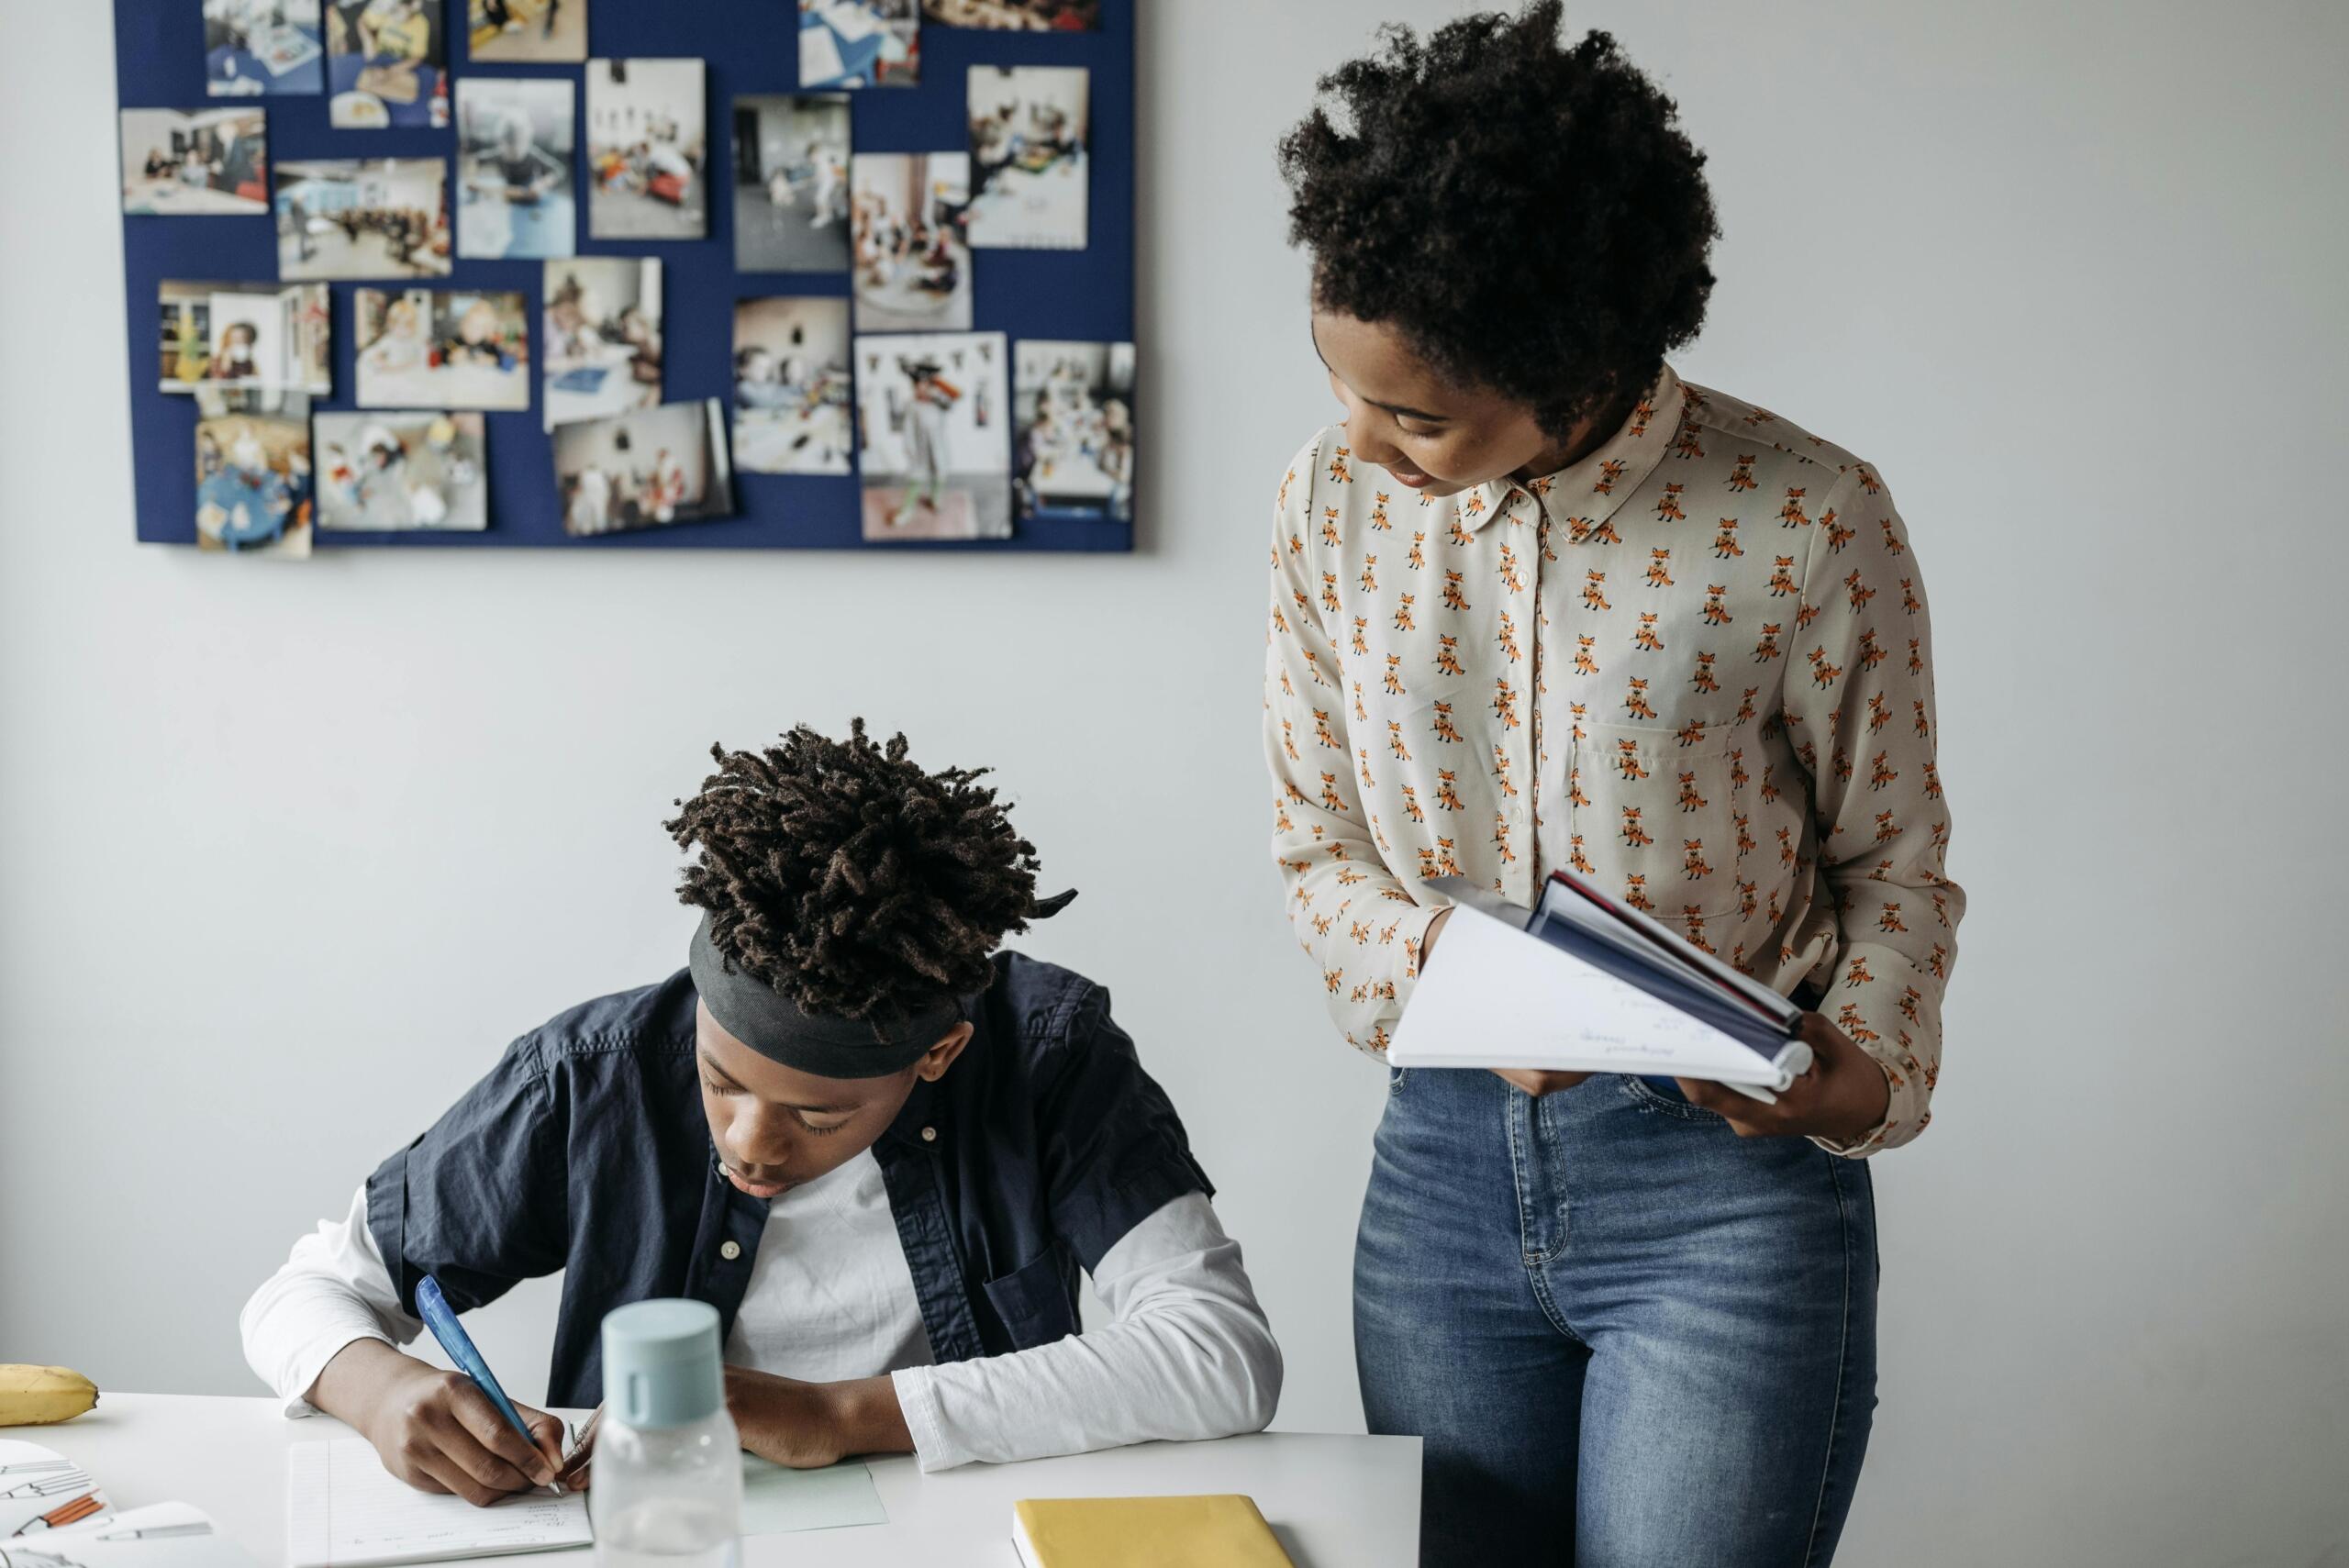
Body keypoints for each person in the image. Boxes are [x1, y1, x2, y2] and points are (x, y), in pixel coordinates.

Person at [1261, 6, 1964, 1565]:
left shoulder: (1807, 516)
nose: (1362, 444)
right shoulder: (1330, 501)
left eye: (1417, 414)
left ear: (1573, 369)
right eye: (1346, 387)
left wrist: (1867, 1061)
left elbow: (1894, 860)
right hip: (1437, 1176)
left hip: (1728, 1198)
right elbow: (1316, 841)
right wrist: (1456, 975)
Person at [241, 724, 1280, 1501]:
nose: (749, 1143)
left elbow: (1223, 1354)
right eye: (723, 1080)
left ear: (939, 1052)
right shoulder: (594, 1074)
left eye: (819, 1116)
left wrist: (833, 1414)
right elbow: (307, 1291)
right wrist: (373, 1388)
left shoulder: (1045, 1059)